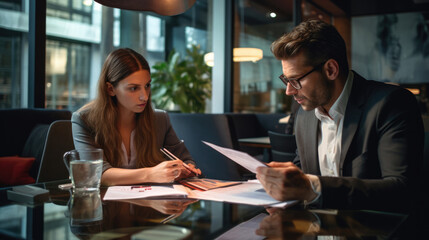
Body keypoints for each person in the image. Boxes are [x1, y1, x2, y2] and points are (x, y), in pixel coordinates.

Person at [256, 20, 424, 211]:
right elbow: (302, 173)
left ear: (331, 70)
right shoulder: (305, 114)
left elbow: (402, 189)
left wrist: (313, 188)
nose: (288, 91)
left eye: (295, 80)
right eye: (286, 80)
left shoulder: (391, 104)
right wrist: (281, 182)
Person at [72, 48, 201, 186]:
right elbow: (96, 174)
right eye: (133, 88)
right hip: (104, 205)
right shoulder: (84, 120)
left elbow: (186, 160)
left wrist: (188, 169)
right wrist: (151, 174)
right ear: (110, 89)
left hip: (149, 203)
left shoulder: (160, 119)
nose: (144, 96)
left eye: (147, 85)